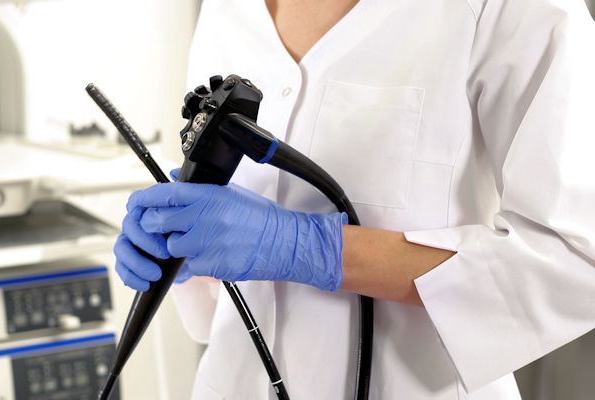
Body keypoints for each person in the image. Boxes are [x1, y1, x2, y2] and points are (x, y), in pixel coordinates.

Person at [114, 0, 595, 398]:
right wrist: (181, 241)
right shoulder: (227, 8)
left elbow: (576, 256)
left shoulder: (510, 8)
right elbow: (220, 270)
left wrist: (312, 248)